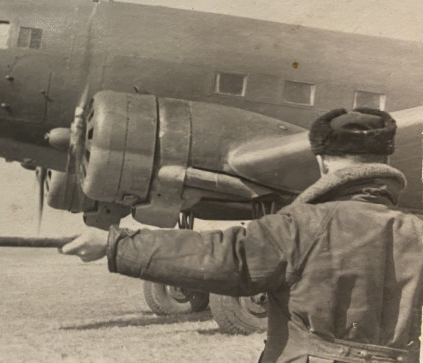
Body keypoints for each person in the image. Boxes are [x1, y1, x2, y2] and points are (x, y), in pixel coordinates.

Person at [62, 107, 423, 362]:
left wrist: (115, 244)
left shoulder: (299, 225)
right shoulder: (416, 232)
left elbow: (221, 255)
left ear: (321, 161)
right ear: (386, 163)